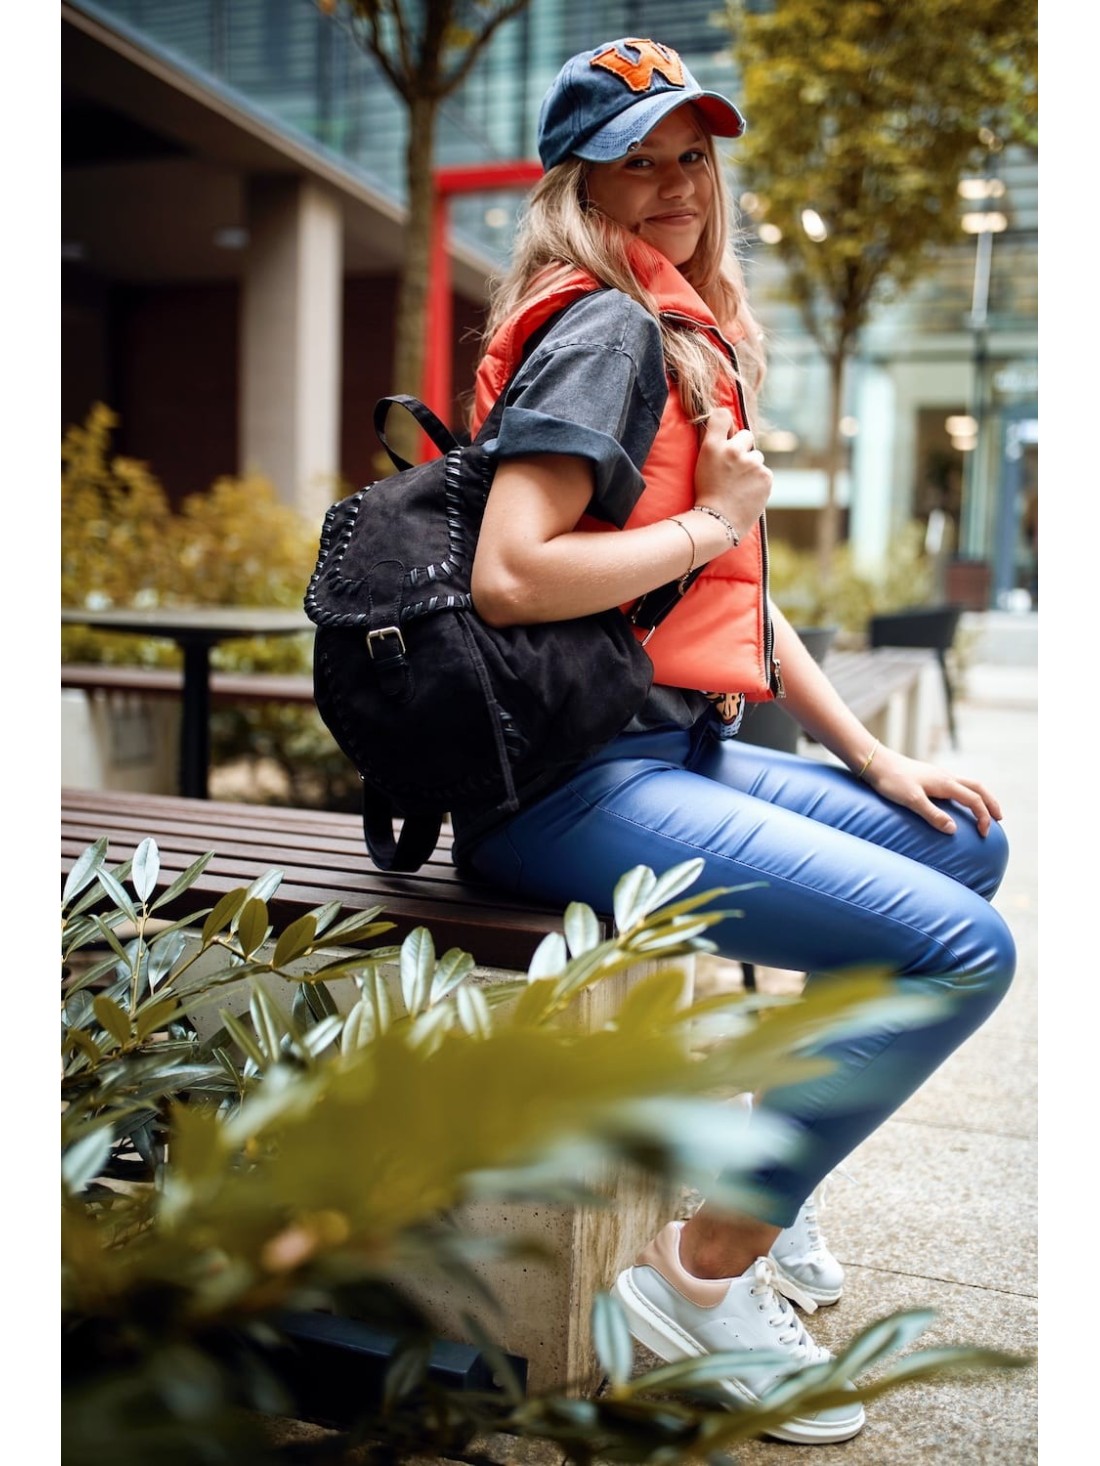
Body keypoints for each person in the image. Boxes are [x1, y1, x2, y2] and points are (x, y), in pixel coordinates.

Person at [454, 37, 1016, 1445]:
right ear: (580, 184)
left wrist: (879, 764)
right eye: (635, 159)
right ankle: (700, 1277)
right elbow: (510, 574)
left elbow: (737, 599)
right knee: (962, 950)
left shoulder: (681, 332)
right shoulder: (603, 328)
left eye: (691, 155)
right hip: (568, 782)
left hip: (668, 754)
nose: (671, 185)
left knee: (966, 838)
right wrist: (710, 516)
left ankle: (769, 1183)